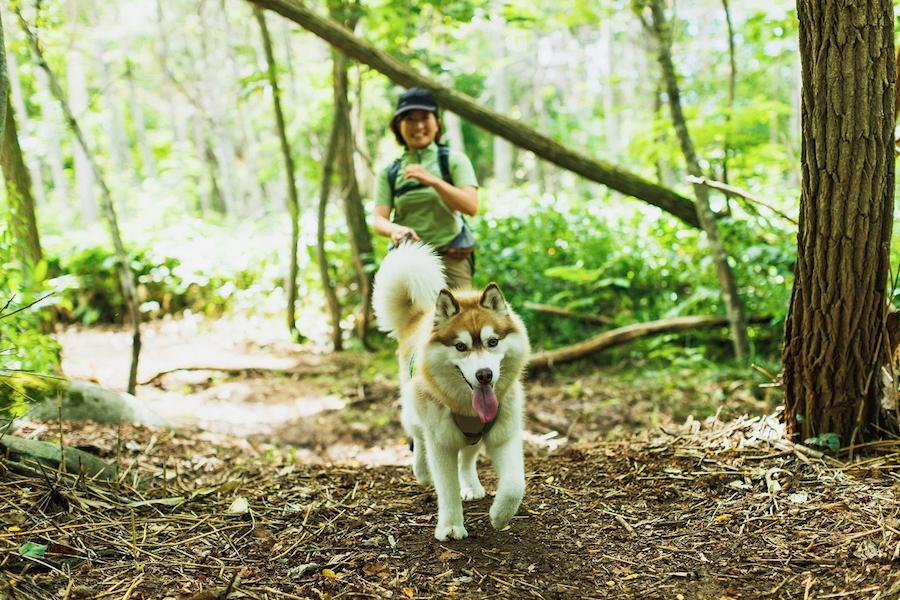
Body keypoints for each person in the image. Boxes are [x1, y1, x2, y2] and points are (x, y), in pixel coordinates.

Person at [373, 87, 479, 289]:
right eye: (410, 119)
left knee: (457, 319)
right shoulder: (390, 171)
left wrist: (434, 181)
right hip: (407, 259)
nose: (418, 125)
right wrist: (396, 230)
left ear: (437, 123)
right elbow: (379, 219)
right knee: (406, 320)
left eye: (425, 117)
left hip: (451, 258)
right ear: (398, 126)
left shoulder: (454, 161)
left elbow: (471, 206)